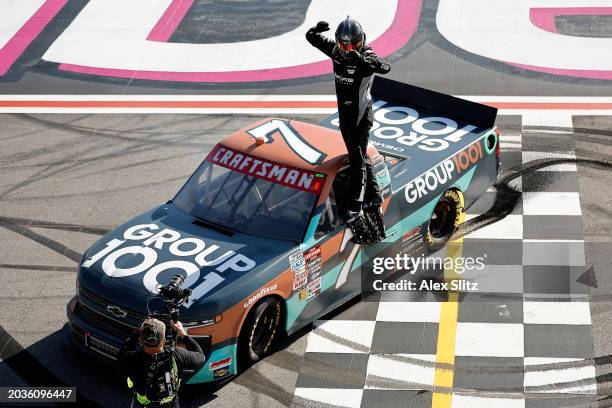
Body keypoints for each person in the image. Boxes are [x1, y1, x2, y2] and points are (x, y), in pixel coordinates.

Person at [306, 17, 391, 223]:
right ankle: (375, 194)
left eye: (353, 44)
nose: (348, 49)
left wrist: (363, 60)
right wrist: (316, 29)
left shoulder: (365, 55)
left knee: (356, 159)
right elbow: (311, 37)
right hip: (344, 115)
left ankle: (356, 205)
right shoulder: (336, 52)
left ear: (361, 41)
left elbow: (385, 67)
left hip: (361, 116)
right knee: (358, 155)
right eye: (344, 45)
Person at [118, 318, 205, 408]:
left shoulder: (131, 359)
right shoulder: (176, 354)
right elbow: (200, 356)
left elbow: (124, 350)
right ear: (164, 340)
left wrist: (136, 335)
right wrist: (182, 333)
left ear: (140, 340)